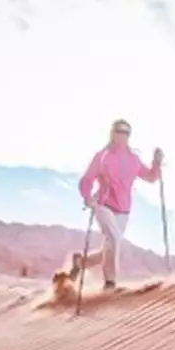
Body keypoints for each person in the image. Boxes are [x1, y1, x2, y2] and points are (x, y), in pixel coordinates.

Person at [67, 118, 163, 291]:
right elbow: (87, 179)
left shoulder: (134, 159)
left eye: (125, 132)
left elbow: (150, 177)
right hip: (102, 205)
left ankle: (80, 263)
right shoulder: (102, 156)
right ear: (111, 133)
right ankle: (110, 283)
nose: (121, 135)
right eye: (118, 131)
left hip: (124, 210)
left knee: (110, 246)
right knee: (115, 239)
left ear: (129, 135)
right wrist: (87, 197)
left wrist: (156, 163)